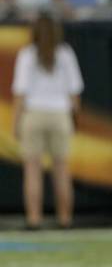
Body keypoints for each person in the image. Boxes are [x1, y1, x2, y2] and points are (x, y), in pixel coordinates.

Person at [12, 14, 83, 229]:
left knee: (32, 171)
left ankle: (34, 219)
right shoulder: (66, 54)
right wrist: (74, 118)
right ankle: (65, 219)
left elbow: (20, 93)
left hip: (33, 114)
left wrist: (16, 123)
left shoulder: (27, 55)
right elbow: (75, 93)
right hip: (60, 115)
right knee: (61, 170)